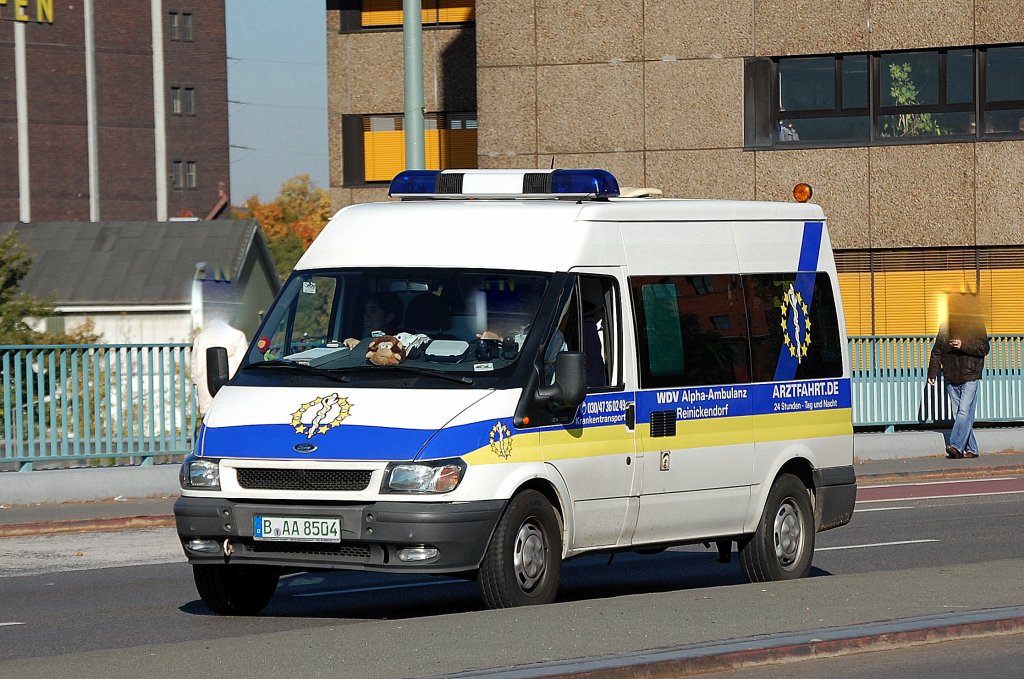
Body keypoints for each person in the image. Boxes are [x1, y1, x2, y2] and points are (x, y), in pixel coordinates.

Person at [927, 295, 990, 459]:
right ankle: (972, 449)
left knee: (963, 412)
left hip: (970, 375)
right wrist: (932, 373)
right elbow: (937, 351)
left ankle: (955, 446)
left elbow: (984, 348)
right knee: (962, 414)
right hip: (951, 376)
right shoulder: (944, 327)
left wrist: (964, 345)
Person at [191, 318, 249, 417]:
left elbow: (194, 373)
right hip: (230, 397)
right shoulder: (237, 336)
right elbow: (243, 367)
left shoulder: (200, 338)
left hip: (206, 398)